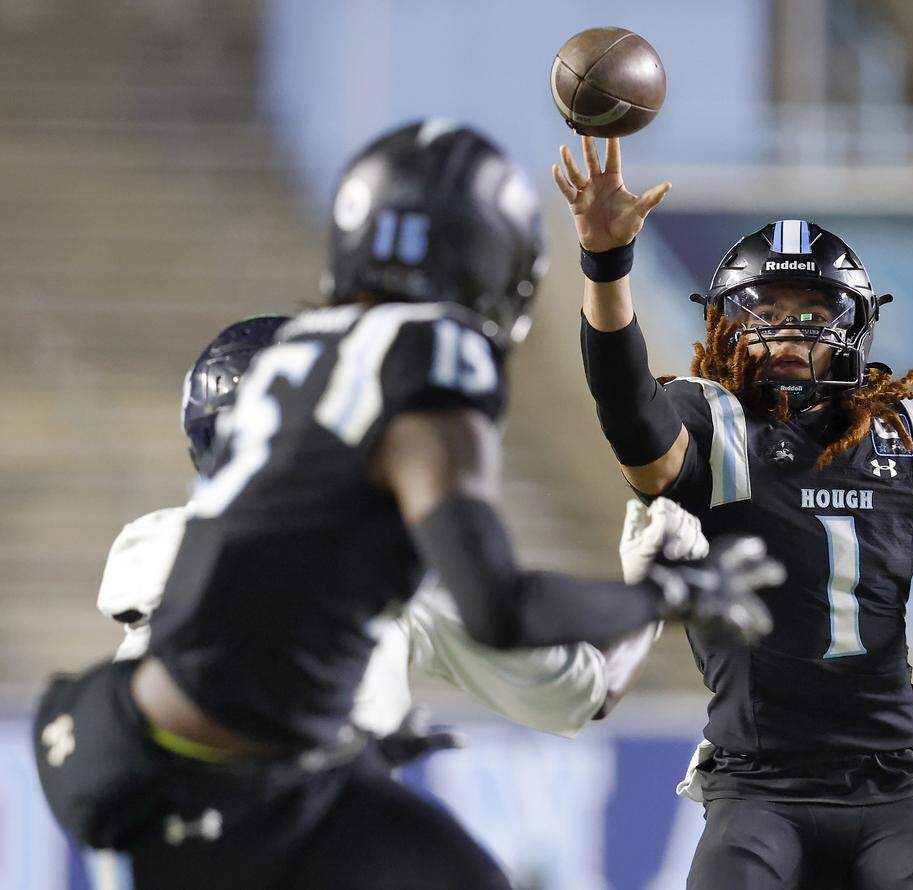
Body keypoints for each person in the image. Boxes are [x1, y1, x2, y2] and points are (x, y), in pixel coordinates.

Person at [33, 120, 781, 890]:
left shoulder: (295, 378)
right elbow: (509, 620)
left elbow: (249, 614)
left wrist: (359, 726)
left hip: (123, 743)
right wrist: (668, 591)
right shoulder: (427, 357)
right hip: (237, 783)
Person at [553, 135, 913, 889]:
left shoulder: (905, 440)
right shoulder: (713, 425)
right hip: (758, 785)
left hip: (896, 789)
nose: (788, 330)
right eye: (765, 310)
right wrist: (606, 262)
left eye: (812, 311)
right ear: (724, 325)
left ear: (853, 326)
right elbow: (626, 408)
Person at [97, 315, 710, 746]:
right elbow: (584, 692)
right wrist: (653, 587)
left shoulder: (151, 543)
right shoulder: (388, 562)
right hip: (313, 834)